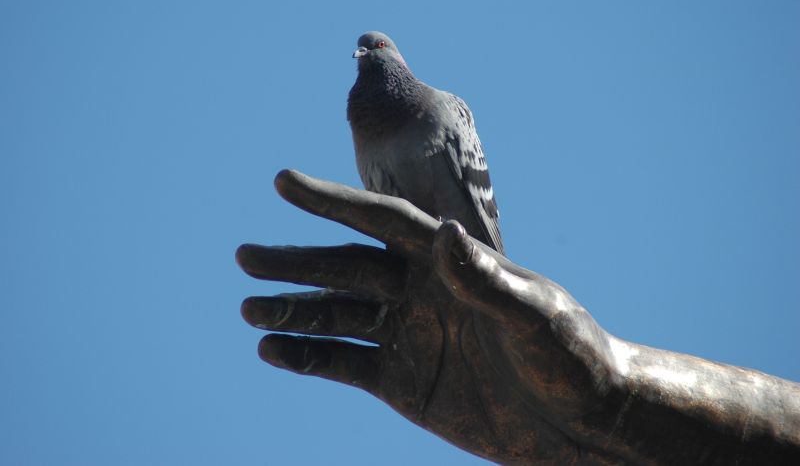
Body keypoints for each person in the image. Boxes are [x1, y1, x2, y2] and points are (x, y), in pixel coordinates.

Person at [237, 170, 800, 464]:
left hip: (467, 244)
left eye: (376, 49)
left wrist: (612, 403)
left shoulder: (447, 106)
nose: (364, 59)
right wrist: (611, 404)